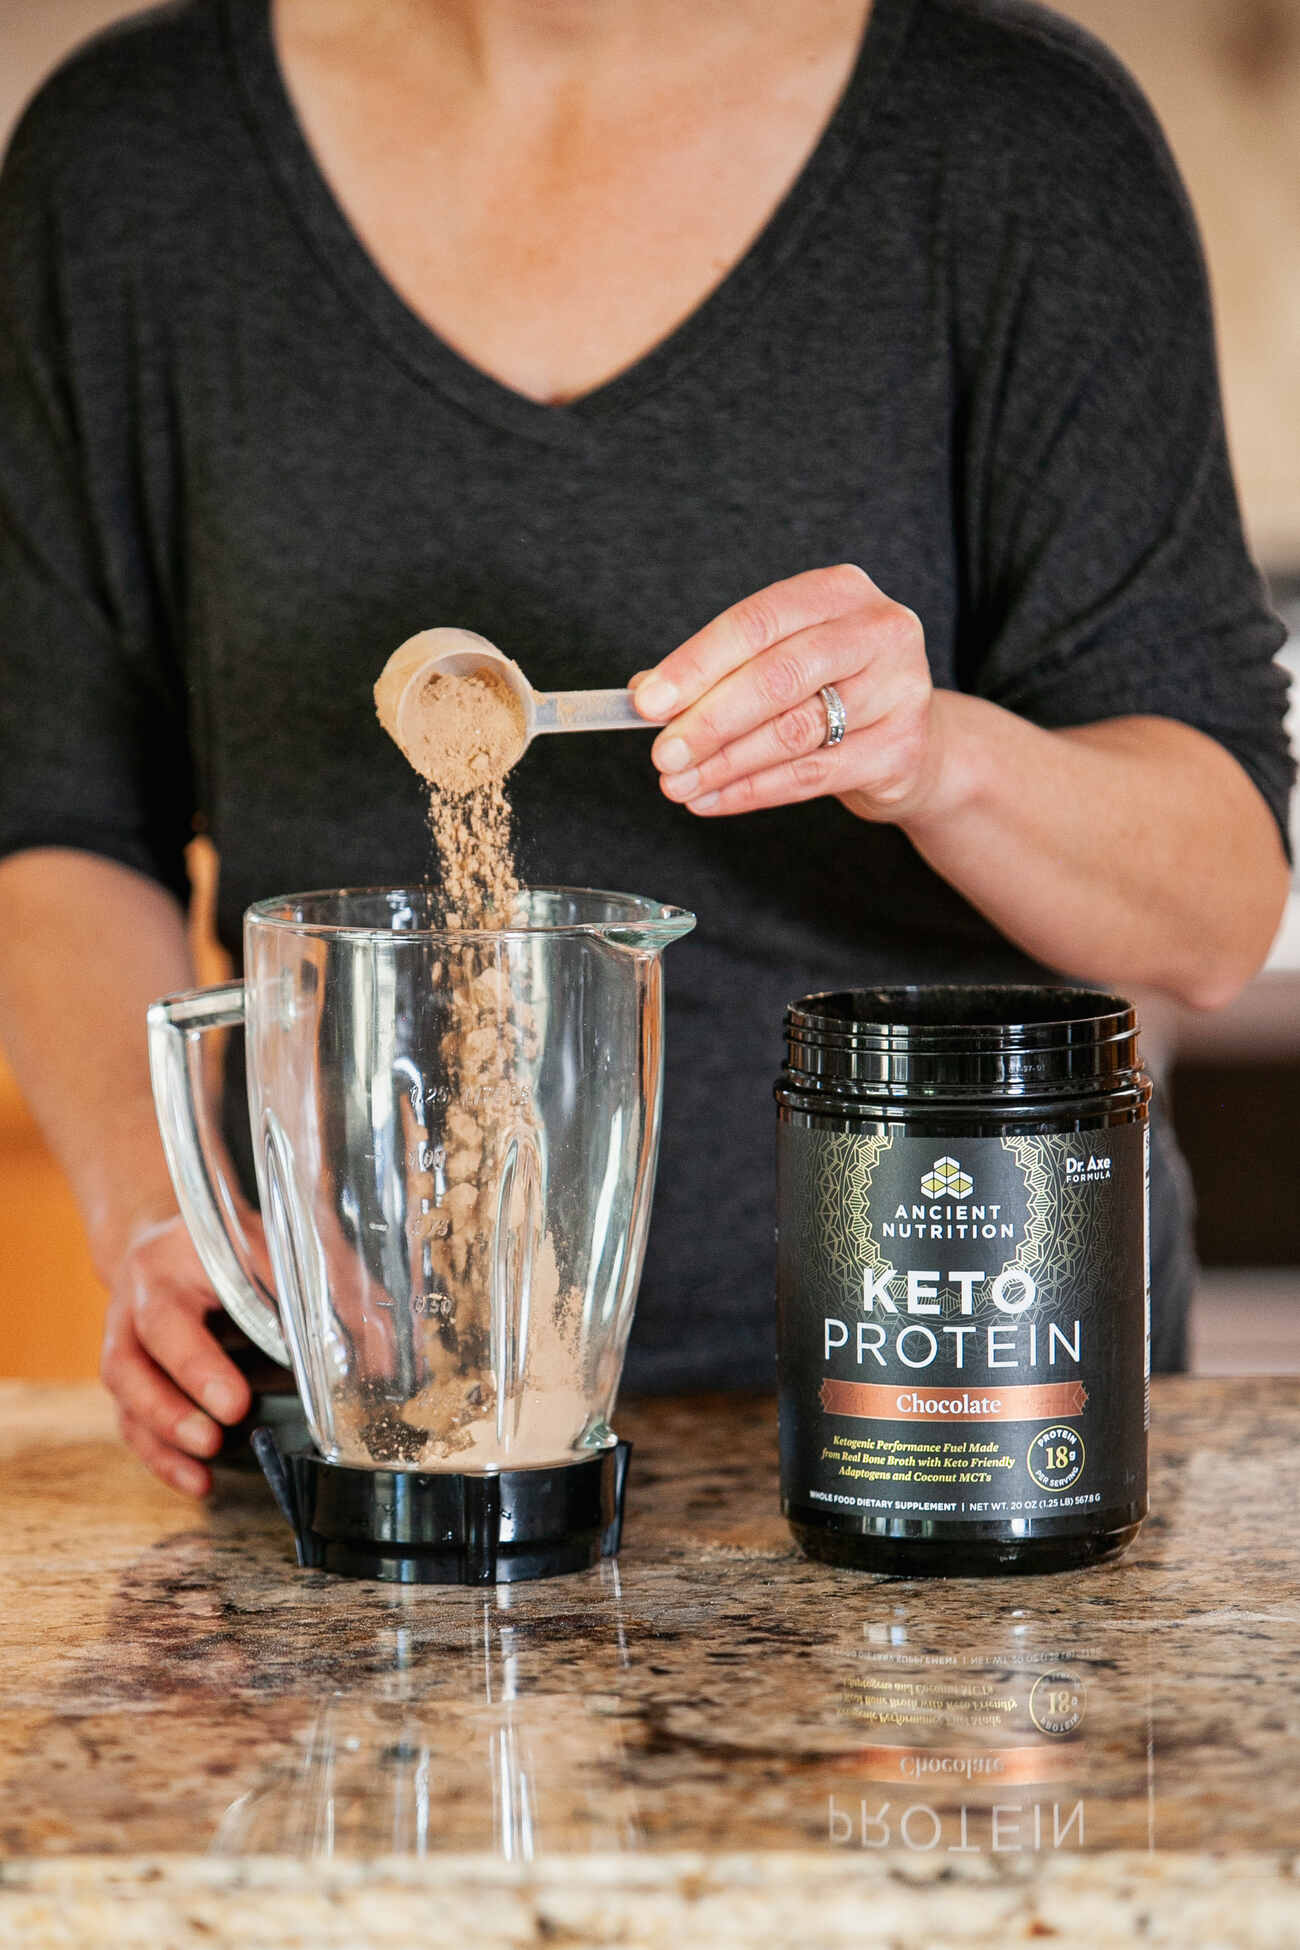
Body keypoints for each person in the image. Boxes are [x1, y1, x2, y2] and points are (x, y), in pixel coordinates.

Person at [0, 0, 1291, 1498]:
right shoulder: (132, 162)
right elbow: (56, 832)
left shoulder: (1017, 139)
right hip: (378, 1438)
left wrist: (936, 758)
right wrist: (176, 1217)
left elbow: (1218, 910)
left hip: (965, 1431)